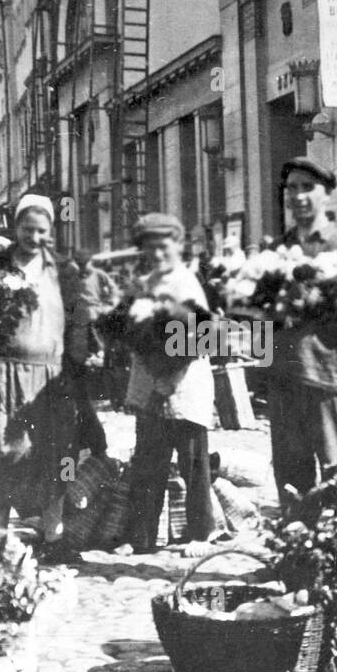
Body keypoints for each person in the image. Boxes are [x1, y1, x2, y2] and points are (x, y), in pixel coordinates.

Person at [0, 193, 89, 549]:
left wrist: (76, 364)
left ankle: (54, 533)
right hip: (5, 376)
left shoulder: (63, 269)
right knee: (3, 452)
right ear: (16, 228)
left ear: (50, 231)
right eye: (27, 229)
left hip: (52, 378)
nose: (34, 237)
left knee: (57, 453)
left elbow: (79, 321)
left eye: (41, 231)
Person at [116, 213, 217, 558]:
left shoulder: (187, 283)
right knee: (147, 463)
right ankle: (140, 535)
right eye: (150, 248)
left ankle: (201, 533)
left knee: (192, 464)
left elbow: (200, 335)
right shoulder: (144, 284)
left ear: (177, 246)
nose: (158, 254)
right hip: (149, 385)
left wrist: (170, 378)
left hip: (184, 386)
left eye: (164, 247)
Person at [269, 158, 337, 509]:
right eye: (292, 188)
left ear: (326, 196)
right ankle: (296, 553)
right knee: (290, 473)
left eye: (308, 188)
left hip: (324, 375)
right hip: (282, 373)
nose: (298, 196)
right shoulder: (278, 248)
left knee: (336, 469)